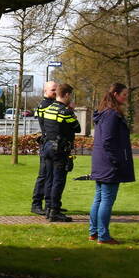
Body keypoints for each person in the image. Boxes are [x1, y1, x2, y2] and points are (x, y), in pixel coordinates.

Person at [89, 83, 135, 244]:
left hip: (101, 161)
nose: (125, 98)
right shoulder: (111, 115)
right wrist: (117, 161)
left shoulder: (104, 113)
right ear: (115, 94)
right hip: (108, 163)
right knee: (106, 199)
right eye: (123, 95)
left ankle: (94, 232)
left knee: (99, 197)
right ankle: (103, 235)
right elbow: (108, 140)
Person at [37, 83, 81, 222]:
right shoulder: (65, 112)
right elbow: (77, 128)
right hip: (60, 150)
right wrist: (72, 112)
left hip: (47, 147)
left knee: (49, 179)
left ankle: (49, 209)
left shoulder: (49, 108)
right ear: (66, 94)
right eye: (70, 95)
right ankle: (55, 211)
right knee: (58, 180)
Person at [30, 80, 59, 216]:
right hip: (47, 143)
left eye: (56, 89)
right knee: (43, 175)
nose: (55, 92)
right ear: (45, 91)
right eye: (53, 90)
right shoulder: (45, 105)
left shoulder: (51, 104)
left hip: (48, 143)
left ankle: (50, 204)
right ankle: (36, 204)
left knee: (48, 175)